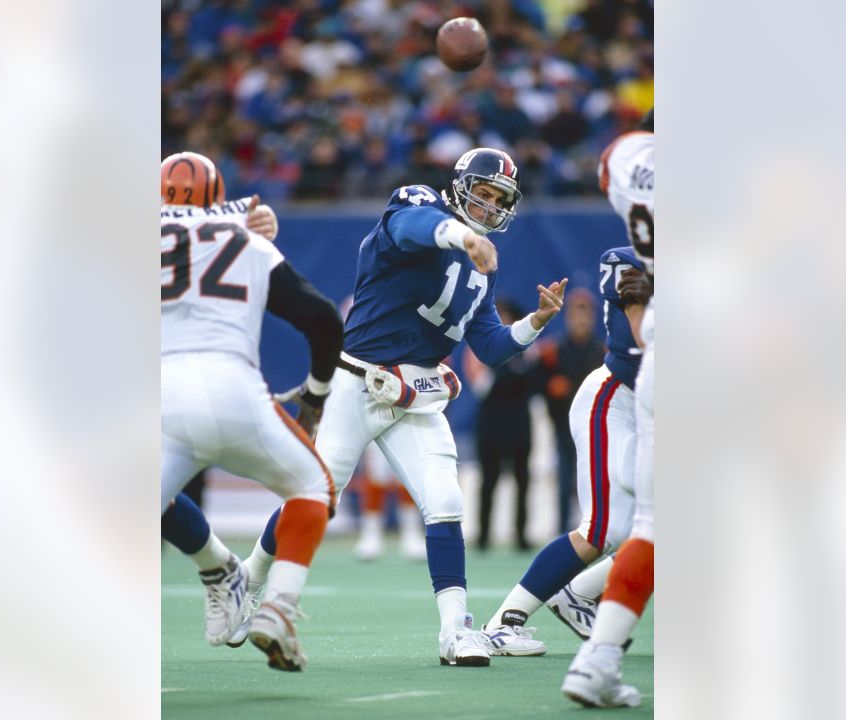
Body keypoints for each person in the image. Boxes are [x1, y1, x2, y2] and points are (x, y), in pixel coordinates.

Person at [241, 147, 569, 667]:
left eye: (497, 200)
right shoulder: (419, 207)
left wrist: (535, 323)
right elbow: (416, 226)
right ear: (460, 187)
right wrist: (465, 237)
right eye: (481, 195)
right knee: (315, 497)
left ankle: (455, 630)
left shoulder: (480, 272)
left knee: (445, 500)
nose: (487, 207)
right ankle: (249, 579)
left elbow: (489, 347)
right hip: (356, 382)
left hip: (414, 396)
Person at [159, 151, 344, 672]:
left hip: (160, 395)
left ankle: (215, 566)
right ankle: (276, 606)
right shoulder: (244, 233)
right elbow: (323, 319)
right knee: (313, 489)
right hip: (235, 387)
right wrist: (315, 393)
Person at [481, 246, 651, 658]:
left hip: (650, 409)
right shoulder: (631, 261)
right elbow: (638, 353)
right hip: (616, 401)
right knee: (601, 530)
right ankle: (503, 623)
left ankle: (578, 594)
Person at [561, 110, 654, 708]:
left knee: (654, 524)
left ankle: (597, 658)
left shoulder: (630, 160)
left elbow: (612, 165)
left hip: (662, 358)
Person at [466, 298, 540, 551]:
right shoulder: (479, 350)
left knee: (523, 481)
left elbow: (533, 385)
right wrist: (504, 363)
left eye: (509, 318)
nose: (505, 324)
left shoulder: (529, 350)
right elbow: (482, 387)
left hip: (519, 423)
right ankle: (484, 534)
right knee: (489, 481)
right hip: (492, 424)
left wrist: (515, 360)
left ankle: (521, 534)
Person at [539, 289, 606, 534]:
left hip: (593, 427)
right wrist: (551, 388)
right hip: (563, 424)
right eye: (576, 313)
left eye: (585, 314)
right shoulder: (554, 351)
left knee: (592, 478)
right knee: (565, 476)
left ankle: (592, 527)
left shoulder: (602, 352)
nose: (581, 320)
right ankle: (562, 528)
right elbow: (539, 384)